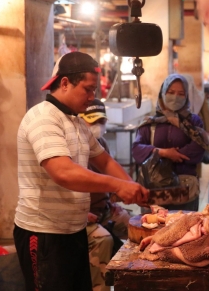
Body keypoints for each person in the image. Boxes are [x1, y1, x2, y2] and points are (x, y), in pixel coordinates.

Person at [14, 52, 149, 291]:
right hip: (44, 233)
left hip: (73, 230)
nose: (92, 96)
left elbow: (104, 161)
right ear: (65, 83)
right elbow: (63, 172)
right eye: (88, 89)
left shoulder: (76, 123)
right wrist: (117, 186)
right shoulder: (43, 118)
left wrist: (132, 188)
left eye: (94, 90)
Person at [132, 74, 209, 211]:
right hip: (154, 188)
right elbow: (137, 149)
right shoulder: (149, 123)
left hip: (184, 189)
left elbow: (197, 149)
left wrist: (172, 154)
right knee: (153, 227)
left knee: (184, 228)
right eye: (171, 92)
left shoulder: (193, 122)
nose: (175, 97)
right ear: (163, 93)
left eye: (181, 94)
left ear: (186, 96)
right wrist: (163, 153)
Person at [79, 99, 132, 291]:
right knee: (103, 240)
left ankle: (135, 281)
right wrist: (80, 213)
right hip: (83, 214)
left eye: (100, 122)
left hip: (105, 209)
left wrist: (112, 199)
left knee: (137, 227)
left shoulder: (101, 144)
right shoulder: (73, 149)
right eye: (92, 122)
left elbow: (108, 174)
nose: (97, 127)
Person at [182, 74, 209, 179]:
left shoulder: (199, 97)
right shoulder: (180, 98)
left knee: (196, 156)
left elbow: (206, 114)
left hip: (197, 134)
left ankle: (195, 178)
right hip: (183, 135)